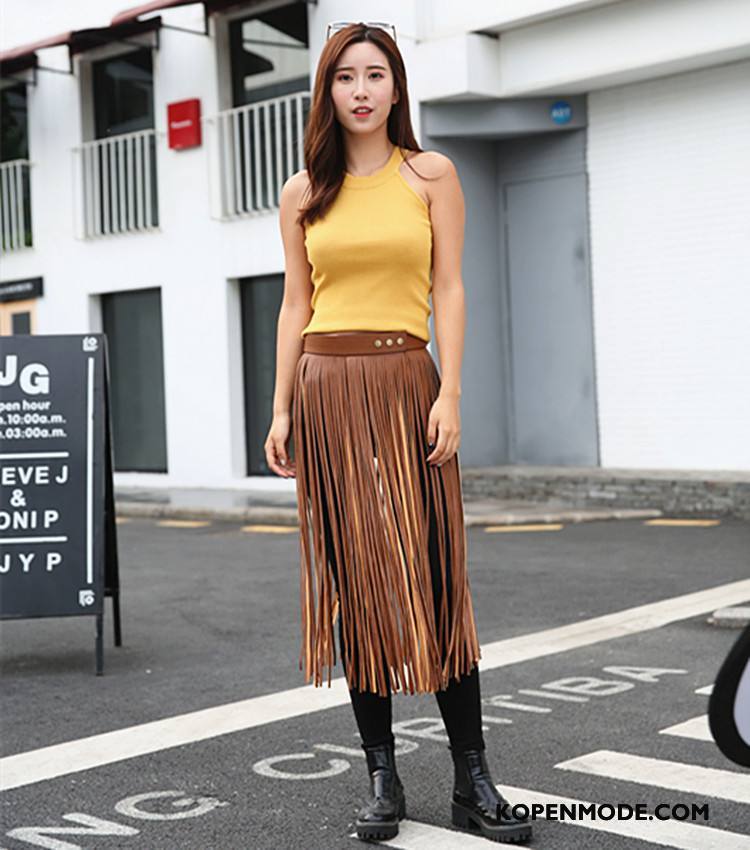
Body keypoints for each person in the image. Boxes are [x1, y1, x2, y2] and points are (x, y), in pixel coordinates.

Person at [265, 20, 532, 845]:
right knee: (356, 583)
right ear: (327, 92)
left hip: (408, 379)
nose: (361, 90)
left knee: (439, 577)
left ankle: (472, 779)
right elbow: (296, 304)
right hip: (326, 389)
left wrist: (451, 390)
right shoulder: (303, 192)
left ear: (395, 87)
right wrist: (280, 409)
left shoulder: (431, 173)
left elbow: (449, 288)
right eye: (345, 77)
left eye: (375, 74)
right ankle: (382, 774)